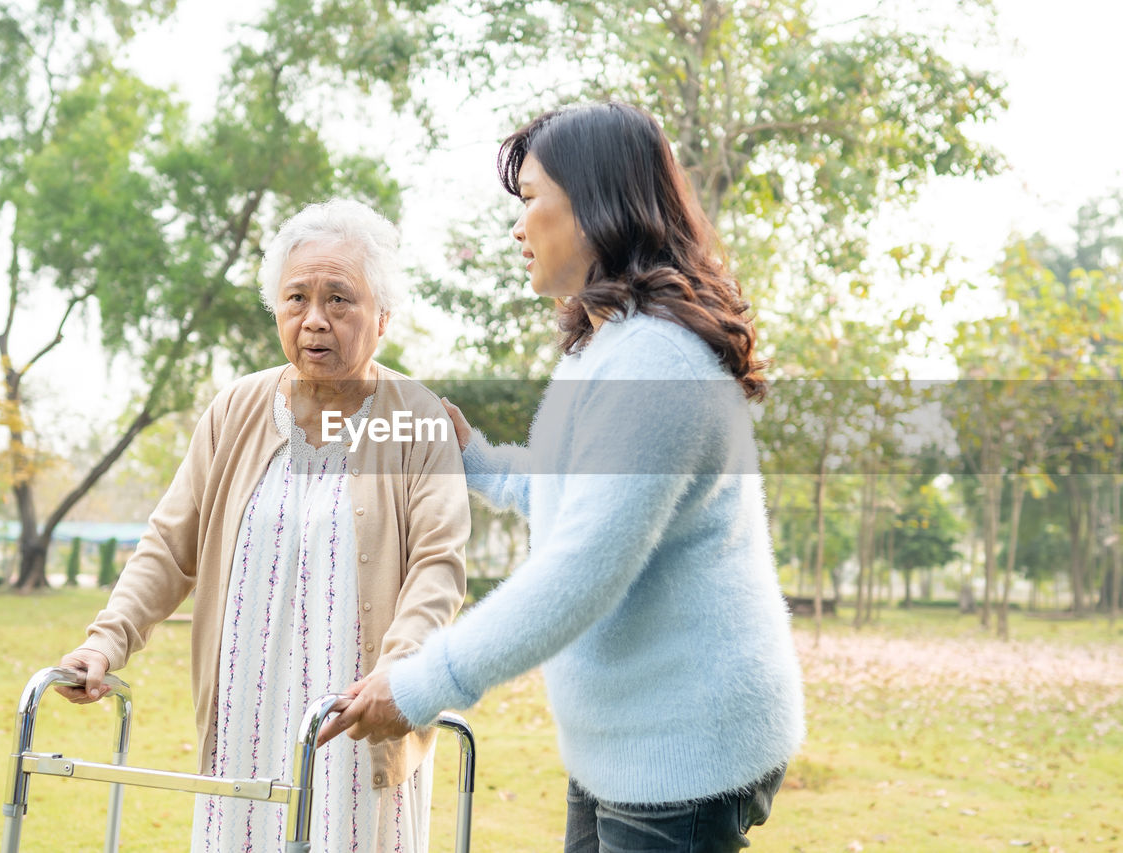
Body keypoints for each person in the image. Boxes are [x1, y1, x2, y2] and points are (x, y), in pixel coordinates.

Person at [319, 102, 806, 852]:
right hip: (625, 738)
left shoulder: (657, 364)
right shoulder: (604, 350)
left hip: (685, 747)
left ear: (596, 204)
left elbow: (581, 573)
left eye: (532, 198)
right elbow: (560, 491)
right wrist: (473, 453)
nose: (518, 227)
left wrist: (419, 686)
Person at [56, 198, 470, 853]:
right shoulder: (237, 409)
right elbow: (169, 544)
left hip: (356, 721)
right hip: (245, 721)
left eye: (340, 299)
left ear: (382, 316)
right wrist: (106, 641)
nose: (314, 320)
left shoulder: (416, 417)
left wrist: (401, 671)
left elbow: (439, 564)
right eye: (296, 298)